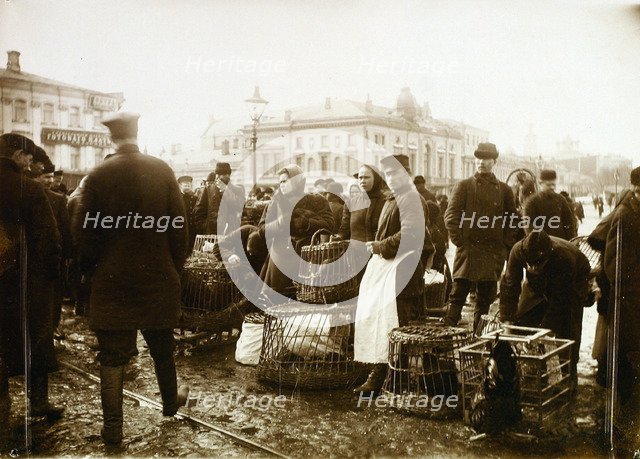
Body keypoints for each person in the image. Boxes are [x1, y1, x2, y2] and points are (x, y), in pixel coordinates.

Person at [71, 113, 189, 446]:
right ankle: (169, 405)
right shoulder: (162, 170)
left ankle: (113, 431)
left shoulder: (96, 176)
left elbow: (82, 234)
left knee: (111, 358)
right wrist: (172, 268)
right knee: (162, 348)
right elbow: (180, 228)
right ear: (137, 133)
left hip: (111, 282)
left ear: (112, 138)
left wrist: (94, 270)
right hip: (157, 278)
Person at [1, 134, 63, 450]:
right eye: (27, 158)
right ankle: (38, 402)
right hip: (26, 284)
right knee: (35, 342)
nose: (30, 163)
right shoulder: (30, 188)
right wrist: (50, 280)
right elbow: (50, 240)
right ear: (16, 156)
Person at [353, 154, 434, 394]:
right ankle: (390, 376)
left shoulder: (411, 198)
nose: (391, 178)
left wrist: (381, 246)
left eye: (395, 173)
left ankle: (389, 378)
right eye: (387, 174)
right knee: (387, 324)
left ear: (406, 173)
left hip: (403, 272)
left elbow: (411, 235)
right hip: (389, 270)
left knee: (398, 325)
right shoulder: (393, 198)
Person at [499, 230, 593, 387]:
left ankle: (569, 377)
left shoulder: (564, 258)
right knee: (523, 320)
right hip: (537, 284)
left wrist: (543, 332)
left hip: (575, 277)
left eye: (538, 264)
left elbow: (558, 304)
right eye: (530, 265)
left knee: (568, 331)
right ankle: (534, 374)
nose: (533, 268)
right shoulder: (517, 251)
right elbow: (509, 286)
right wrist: (507, 322)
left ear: (547, 257)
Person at [443, 142, 519, 332]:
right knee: (457, 294)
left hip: (492, 253)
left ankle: (478, 341)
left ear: (494, 161)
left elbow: (512, 220)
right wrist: (460, 241)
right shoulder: (464, 186)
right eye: (479, 157)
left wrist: (504, 245)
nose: (481, 162)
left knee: (485, 299)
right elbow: (451, 216)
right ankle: (444, 339)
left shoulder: (504, 190)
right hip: (468, 251)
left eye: (486, 158)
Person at [257, 164, 334, 301]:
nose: (282, 185)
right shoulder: (276, 203)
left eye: (285, 181)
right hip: (280, 259)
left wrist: (307, 223)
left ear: (297, 180)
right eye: (280, 182)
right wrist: (279, 223)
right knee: (276, 302)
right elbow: (262, 230)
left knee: (304, 300)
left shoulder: (316, 201)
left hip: (306, 257)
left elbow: (329, 225)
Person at [604, 167, 640, 401]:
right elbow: (613, 262)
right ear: (636, 189)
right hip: (628, 295)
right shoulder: (625, 215)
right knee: (626, 347)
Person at [31, 155, 73, 338]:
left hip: (55, 254)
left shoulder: (58, 199)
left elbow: (65, 229)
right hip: (36, 254)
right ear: (37, 177)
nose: (49, 180)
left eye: (50, 177)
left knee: (56, 293)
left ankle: (54, 325)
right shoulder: (28, 196)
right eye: (45, 177)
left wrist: (66, 254)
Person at [335, 165, 386, 244]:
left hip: (380, 253)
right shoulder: (351, 203)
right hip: (356, 253)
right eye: (360, 178)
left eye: (366, 177)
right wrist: (338, 237)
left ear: (376, 179)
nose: (362, 181)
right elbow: (345, 230)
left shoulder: (386, 201)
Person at [523, 170, 576, 240]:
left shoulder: (561, 199)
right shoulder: (532, 202)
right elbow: (529, 226)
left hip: (561, 243)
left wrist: (571, 241)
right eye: (548, 185)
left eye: (553, 184)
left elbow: (569, 223)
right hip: (541, 244)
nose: (552, 187)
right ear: (540, 184)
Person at [193, 163, 244, 235]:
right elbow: (199, 210)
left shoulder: (237, 190)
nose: (217, 177)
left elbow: (240, 207)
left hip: (230, 232)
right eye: (217, 174)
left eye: (220, 175)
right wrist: (204, 227)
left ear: (228, 175)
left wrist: (225, 191)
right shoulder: (208, 189)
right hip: (211, 232)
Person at [177, 175, 198, 250]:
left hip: (192, 228)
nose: (187, 186)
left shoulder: (194, 197)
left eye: (189, 184)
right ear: (180, 185)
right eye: (185, 184)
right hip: (181, 228)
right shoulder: (177, 198)